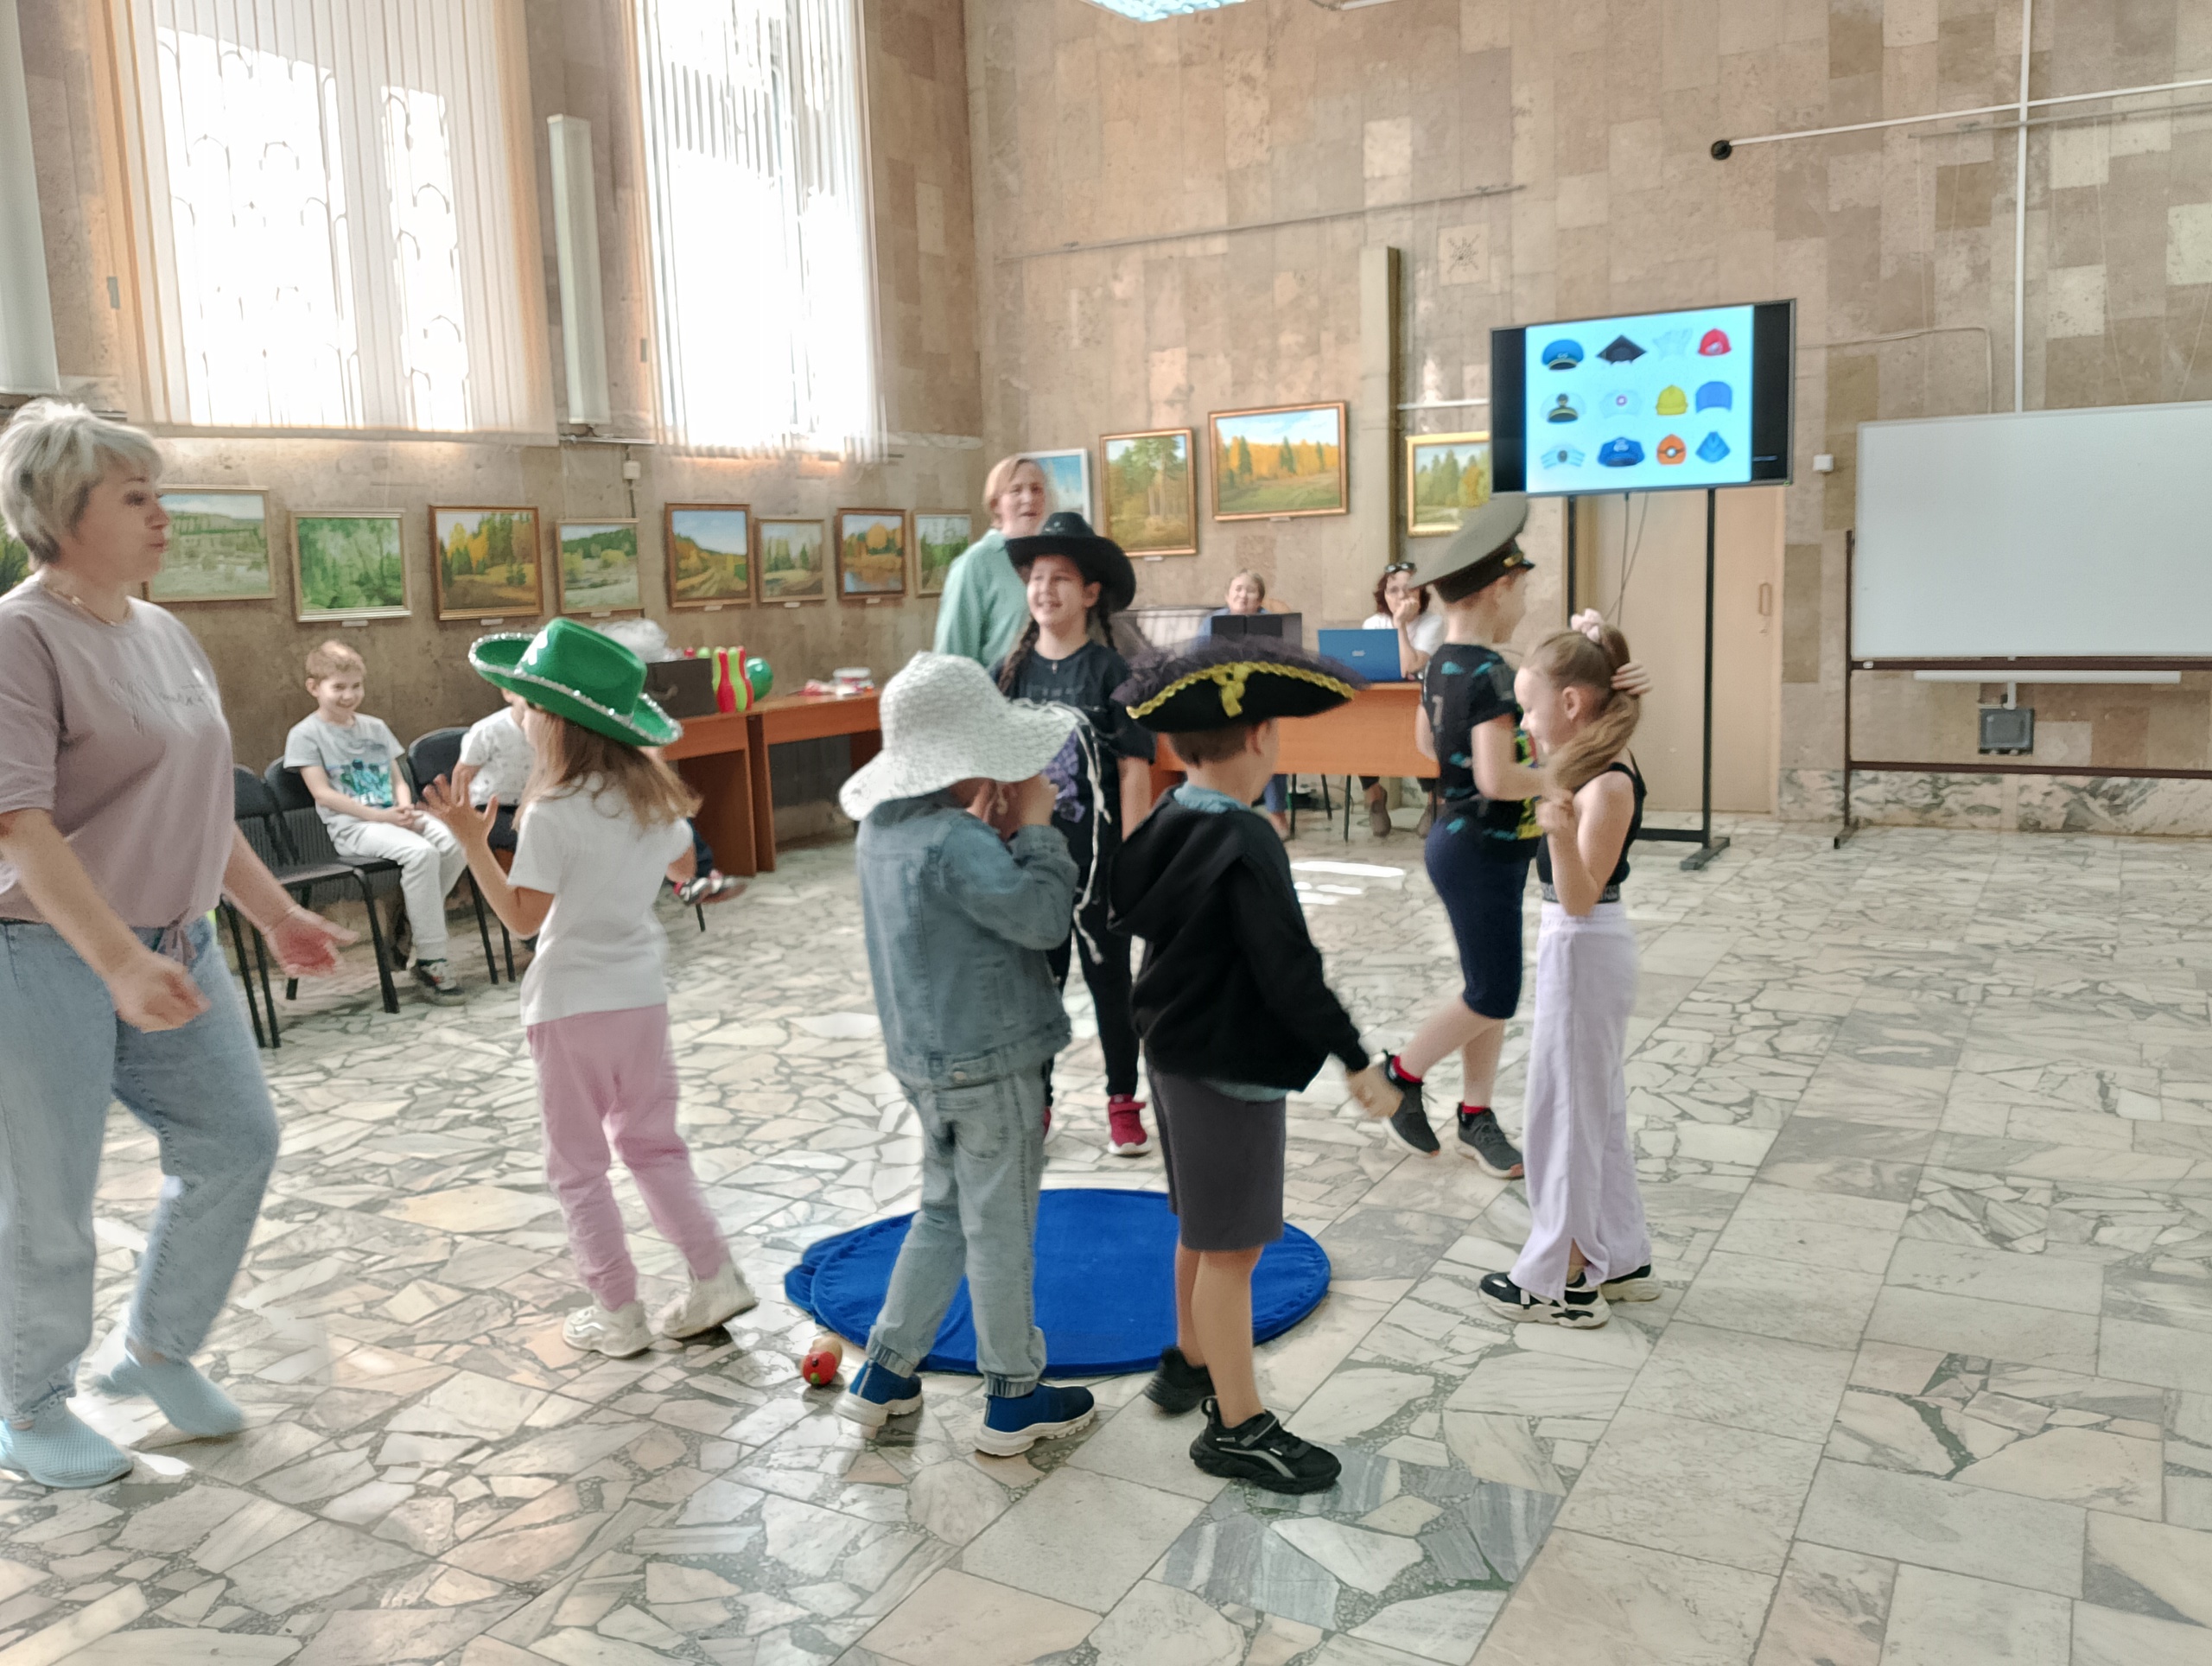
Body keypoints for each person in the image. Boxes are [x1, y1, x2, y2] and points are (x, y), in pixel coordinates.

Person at [0, 399, 352, 1488]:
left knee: (235, 1140)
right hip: (41, 951)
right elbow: (18, 820)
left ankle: (155, 1347)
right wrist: (115, 958)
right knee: (47, 1197)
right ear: (62, 513)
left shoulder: (163, 632)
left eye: (160, 493)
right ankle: (29, 1401)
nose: (164, 515)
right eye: (136, 497)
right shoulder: (18, 637)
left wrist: (274, 912)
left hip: (174, 942)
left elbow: (197, 805)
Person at [419, 620, 758, 1358]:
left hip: (571, 1006)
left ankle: (618, 1312)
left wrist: (473, 844)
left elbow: (522, 920)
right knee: (654, 1147)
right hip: (641, 997)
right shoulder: (652, 801)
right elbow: (680, 870)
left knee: (577, 1168)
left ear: (556, 722)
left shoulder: (552, 811)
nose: (521, 717)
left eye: (528, 707)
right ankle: (715, 1275)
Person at [1110, 638, 1399, 1492]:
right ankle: (1238, 1427)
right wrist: (1354, 1055)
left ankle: (1191, 1361)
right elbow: (1288, 965)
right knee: (1233, 1249)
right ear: (1263, 736)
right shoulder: (1244, 839)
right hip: (1226, 1063)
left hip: (1172, 1051)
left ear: (1177, 748)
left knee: (1202, 1226)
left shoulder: (1170, 816)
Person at [831, 652, 1097, 1455]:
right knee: (1002, 1227)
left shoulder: (884, 832)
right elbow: (1043, 920)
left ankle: (884, 1374)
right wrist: (1040, 828)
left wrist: (986, 825)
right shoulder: (956, 841)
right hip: (993, 1063)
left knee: (944, 1211)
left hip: (925, 1062)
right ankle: (1014, 1395)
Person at [1375, 499, 1649, 1171]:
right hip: (1479, 848)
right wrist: (1560, 777)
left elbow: (1425, 744)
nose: (1526, 601)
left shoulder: (1442, 661)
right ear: (1500, 587)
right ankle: (1400, 1076)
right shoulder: (1491, 670)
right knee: (1492, 992)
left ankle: (1475, 1114)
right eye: (1523, 588)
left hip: (1465, 841)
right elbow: (1499, 779)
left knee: (1487, 980)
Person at [1479, 614, 1656, 1327]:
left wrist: (1554, 831)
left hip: (1584, 943)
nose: (1523, 722)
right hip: (1578, 944)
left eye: (1530, 706)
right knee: (1593, 1110)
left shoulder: (1606, 786)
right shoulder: (1591, 764)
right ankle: (1624, 1259)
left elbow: (1580, 896)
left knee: (1565, 1117)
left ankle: (1566, 1279)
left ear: (1574, 703)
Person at [996, 512, 1155, 1156]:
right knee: (1038, 987)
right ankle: (1036, 1100)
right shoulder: (1009, 674)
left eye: (1061, 578)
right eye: (1037, 577)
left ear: (1090, 593)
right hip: (1028, 867)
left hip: (1100, 865)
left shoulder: (1112, 673)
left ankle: (1123, 1102)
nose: (1045, 590)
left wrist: (1135, 857)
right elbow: (994, 770)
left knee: (1111, 983)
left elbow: (1135, 770)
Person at [284, 640, 470, 1002]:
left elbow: (397, 778)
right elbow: (323, 794)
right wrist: (379, 816)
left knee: (456, 844)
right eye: (338, 687)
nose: (349, 695)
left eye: (356, 686)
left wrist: (403, 808)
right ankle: (431, 961)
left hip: (394, 817)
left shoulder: (375, 727)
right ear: (314, 687)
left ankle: (407, 917)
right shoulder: (305, 734)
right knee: (421, 854)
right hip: (355, 827)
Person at [1357, 562, 1447, 839]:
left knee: (1416, 730)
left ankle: (1434, 800)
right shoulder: (1373, 624)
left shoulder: (1433, 623)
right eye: (1393, 590)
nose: (1400, 596)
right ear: (1383, 595)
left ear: (1420, 593)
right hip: (1382, 703)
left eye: (1408, 590)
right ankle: (1375, 795)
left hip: (1422, 703)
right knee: (1357, 729)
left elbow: (1411, 666)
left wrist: (1399, 626)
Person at [933, 455, 1048, 666]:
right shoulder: (975, 563)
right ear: (996, 504)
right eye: (1016, 490)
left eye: (1036, 489)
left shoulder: (1053, 558)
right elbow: (952, 655)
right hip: (994, 686)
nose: (1029, 498)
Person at [1210, 570, 1293, 838]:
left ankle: (1277, 813)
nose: (1243, 595)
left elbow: (1287, 661)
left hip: (1263, 696)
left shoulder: (1272, 623)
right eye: (1237, 589)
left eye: (1250, 590)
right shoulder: (1213, 622)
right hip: (1223, 697)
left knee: (1268, 742)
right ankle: (1224, 810)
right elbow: (1196, 657)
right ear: (1227, 596)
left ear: (1260, 599)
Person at [460, 690, 533, 852]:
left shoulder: (550, 730)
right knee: (522, 842)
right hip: (489, 806)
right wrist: (463, 815)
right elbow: (463, 774)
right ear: (509, 693)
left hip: (530, 806)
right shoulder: (488, 730)